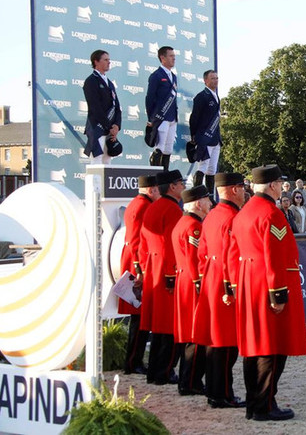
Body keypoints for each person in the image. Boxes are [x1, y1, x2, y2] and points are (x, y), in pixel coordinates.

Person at [226, 165, 306, 422]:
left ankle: (255, 403)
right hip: (267, 285)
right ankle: (264, 404)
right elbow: (273, 255)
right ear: (273, 185)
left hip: (249, 282)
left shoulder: (243, 213)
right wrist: (278, 294)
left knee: (254, 346)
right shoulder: (270, 214)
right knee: (272, 348)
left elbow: (234, 253)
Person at [193, 173, 246, 409]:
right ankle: (222, 393)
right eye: (242, 188)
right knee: (226, 345)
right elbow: (231, 257)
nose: (245, 192)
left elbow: (202, 254)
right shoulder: (232, 217)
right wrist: (232, 287)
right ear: (233, 190)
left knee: (216, 342)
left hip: (211, 282)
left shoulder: (212, 215)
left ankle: (216, 391)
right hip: (226, 286)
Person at [140, 169, 185, 384]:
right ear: (173, 186)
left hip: (153, 268)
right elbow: (170, 246)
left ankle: (156, 370)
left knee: (159, 327)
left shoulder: (154, 207)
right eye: (180, 183)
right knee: (169, 327)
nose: (183, 186)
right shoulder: (172, 209)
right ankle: (163, 372)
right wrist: (171, 276)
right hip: (167, 271)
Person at [172, 185, 211, 396]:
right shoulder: (194, 226)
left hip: (184, 281)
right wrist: (200, 282)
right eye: (206, 200)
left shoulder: (184, 222)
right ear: (198, 203)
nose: (210, 204)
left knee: (190, 334)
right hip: (194, 283)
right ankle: (191, 381)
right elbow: (194, 259)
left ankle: (189, 380)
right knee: (196, 335)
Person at [119, 174, 159, 375]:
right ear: (151, 190)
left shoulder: (136, 203)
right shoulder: (143, 206)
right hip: (137, 263)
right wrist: (140, 270)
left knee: (139, 318)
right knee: (139, 317)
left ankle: (133, 360)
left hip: (134, 259)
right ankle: (133, 361)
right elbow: (136, 241)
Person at [82, 49, 121, 164]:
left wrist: (117, 126)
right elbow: (95, 108)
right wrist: (110, 127)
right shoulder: (91, 81)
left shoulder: (110, 83)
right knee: (97, 161)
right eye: (105, 60)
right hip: (97, 128)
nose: (109, 62)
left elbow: (117, 106)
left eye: (109, 60)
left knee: (107, 162)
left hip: (110, 130)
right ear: (96, 62)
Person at [189, 70, 222, 195]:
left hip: (215, 138)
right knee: (203, 166)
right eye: (212, 78)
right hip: (205, 137)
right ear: (205, 80)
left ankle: (210, 196)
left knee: (212, 169)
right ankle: (197, 194)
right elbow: (194, 117)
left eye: (217, 78)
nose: (215, 80)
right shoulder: (201, 96)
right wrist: (194, 135)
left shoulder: (216, 95)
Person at [146, 46, 178, 169]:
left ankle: (165, 179)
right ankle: (155, 177)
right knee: (160, 147)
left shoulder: (173, 76)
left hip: (172, 118)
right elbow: (150, 98)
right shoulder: (156, 75)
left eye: (174, 56)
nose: (173, 58)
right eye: (171, 56)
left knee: (168, 149)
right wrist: (152, 118)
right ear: (162, 58)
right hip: (161, 117)